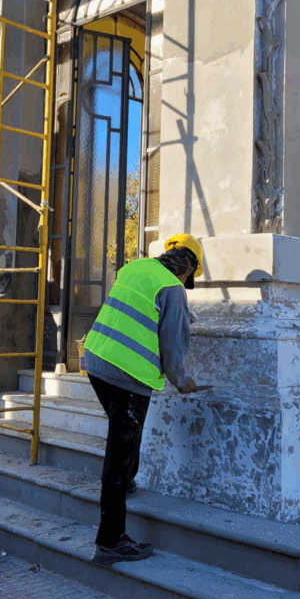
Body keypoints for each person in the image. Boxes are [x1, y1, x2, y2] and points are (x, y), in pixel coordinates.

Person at [83, 233, 205, 565]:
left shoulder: (134, 268)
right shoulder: (174, 290)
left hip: (96, 360)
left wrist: (178, 311)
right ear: (189, 268)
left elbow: (140, 307)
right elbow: (172, 349)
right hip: (128, 374)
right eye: (189, 279)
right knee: (120, 452)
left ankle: (127, 480)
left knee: (124, 431)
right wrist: (183, 382)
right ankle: (110, 540)